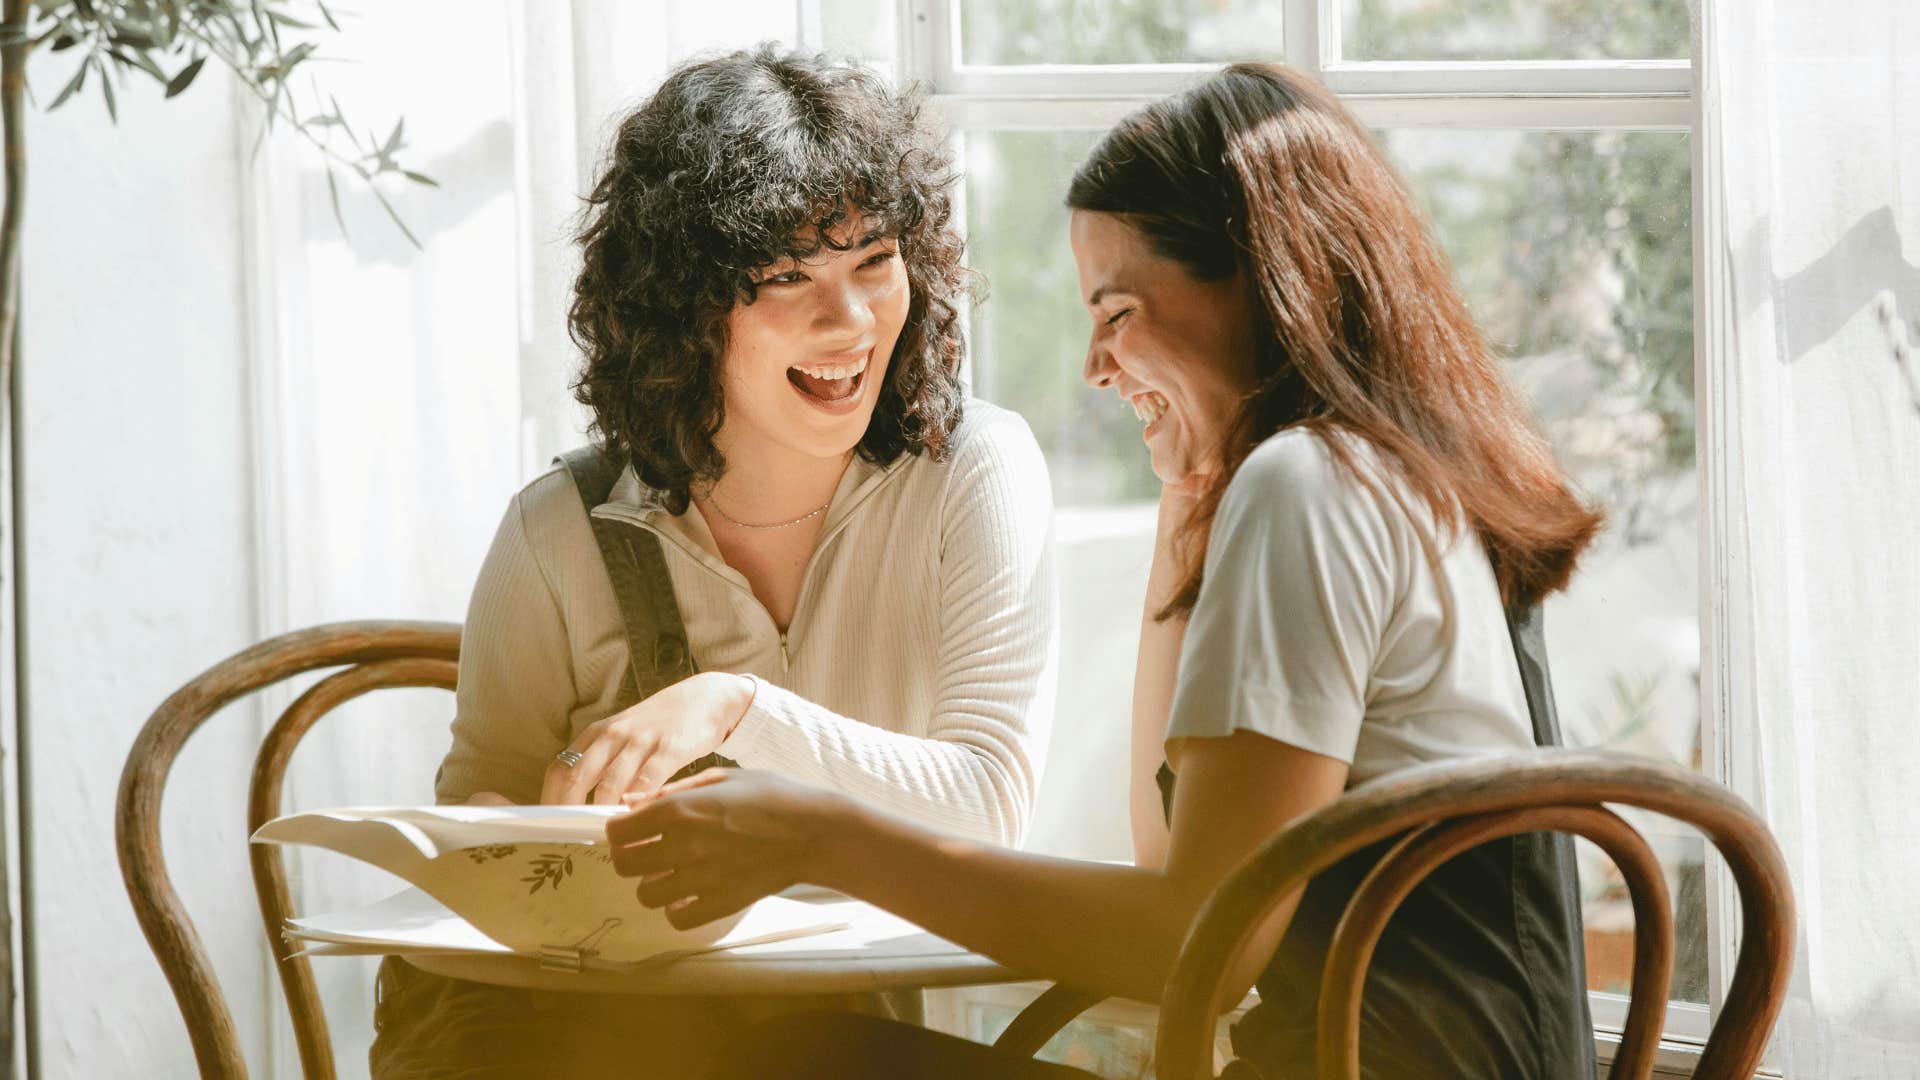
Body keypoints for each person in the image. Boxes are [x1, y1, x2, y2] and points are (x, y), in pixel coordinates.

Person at [607, 61, 1607, 1079]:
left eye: (1118, 311)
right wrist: (1189, 495)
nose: (1093, 365)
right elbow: (1168, 866)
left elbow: (1196, 950)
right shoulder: (1388, 473)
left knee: (798, 1061)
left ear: (1262, 282)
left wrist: (822, 839)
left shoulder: (1308, 488)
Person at [369, 46, 1057, 1078]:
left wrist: (736, 709)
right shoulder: (561, 531)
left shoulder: (971, 472)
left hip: (839, 1045)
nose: (852, 321)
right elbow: (482, 819)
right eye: (786, 277)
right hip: (601, 1039)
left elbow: (991, 811)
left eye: (875, 260)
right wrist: (523, 835)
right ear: (684, 310)